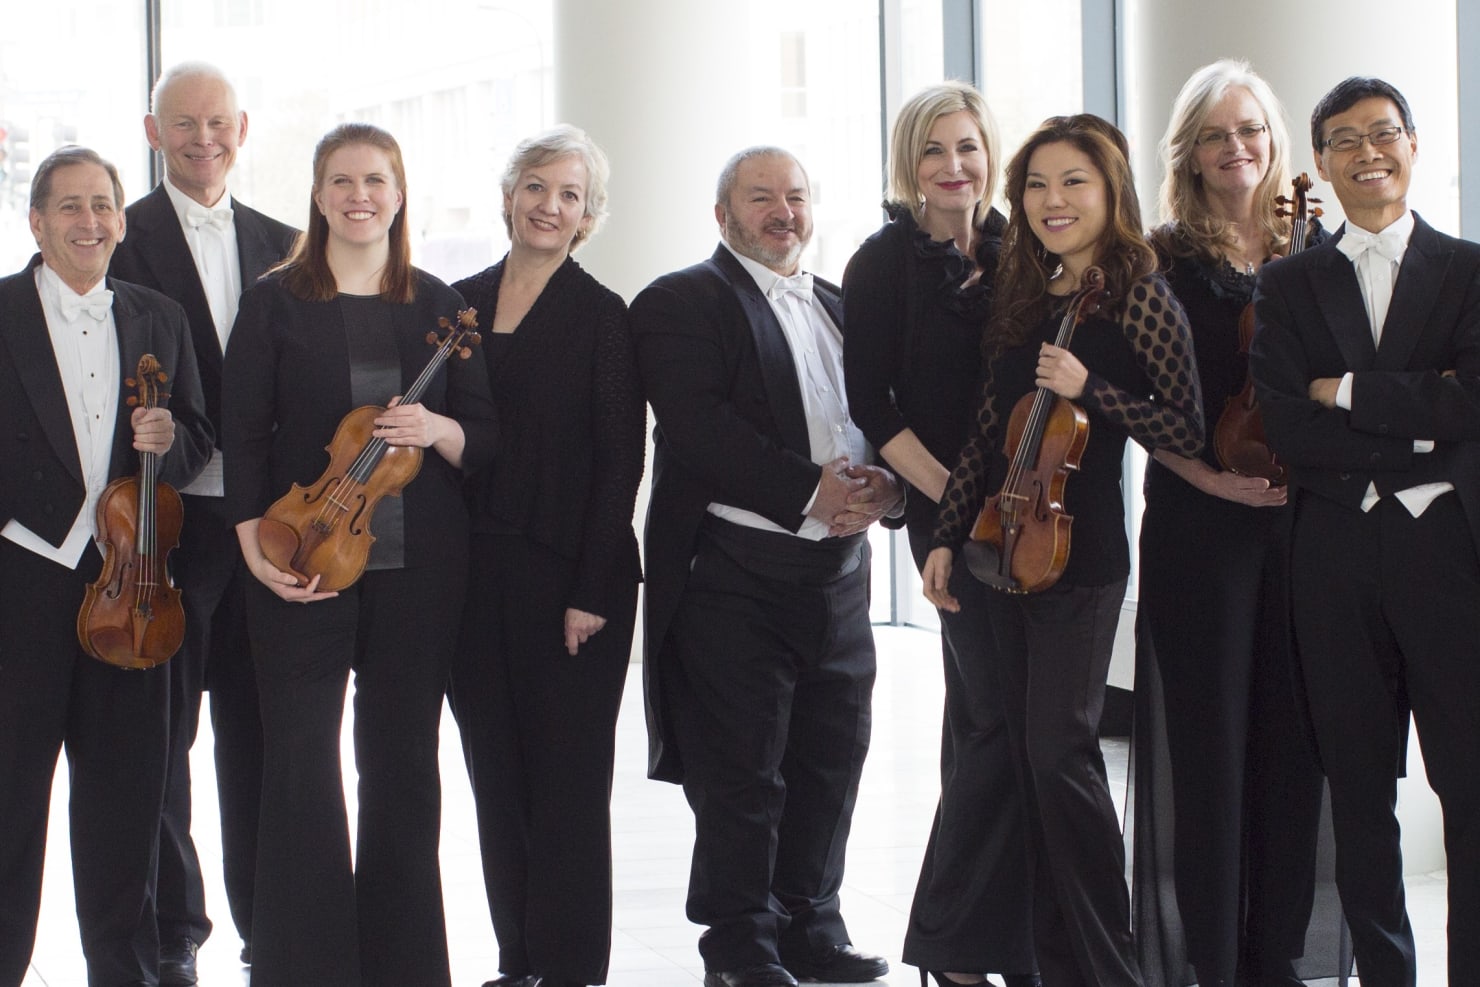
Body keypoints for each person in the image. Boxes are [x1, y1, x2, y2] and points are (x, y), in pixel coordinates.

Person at [922, 114, 1203, 987]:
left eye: (1073, 182)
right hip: (998, 552)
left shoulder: (1142, 293)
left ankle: (1108, 966)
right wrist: (943, 537)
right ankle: (1039, 962)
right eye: (1038, 185)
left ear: (1109, 190)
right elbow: (984, 432)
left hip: (1082, 562)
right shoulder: (1022, 292)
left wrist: (1096, 389)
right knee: (1013, 761)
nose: (1054, 201)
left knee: (1060, 756)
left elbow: (1186, 426)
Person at [221, 122, 497, 987]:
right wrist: (251, 549)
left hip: (421, 570)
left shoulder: (438, 304)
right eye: (341, 181)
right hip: (299, 555)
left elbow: (485, 438)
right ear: (318, 193)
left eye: (375, 179)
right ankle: (304, 966)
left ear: (400, 191)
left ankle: (404, 965)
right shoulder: (274, 301)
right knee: (301, 759)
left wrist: (439, 426)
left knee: (403, 761)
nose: (358, 196)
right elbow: (242, 432)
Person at [631, 146, 901, 987]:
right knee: (742, 769)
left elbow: (883, 415)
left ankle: (811, 924)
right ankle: (741, 946)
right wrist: (810, 491)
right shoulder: (679, 301)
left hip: (841, 573)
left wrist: (888, 487)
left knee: (833, 753)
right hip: (733, 574)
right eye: (761, 198)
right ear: (723, 215)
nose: (782, 211)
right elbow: (699, 425)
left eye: (796, 195)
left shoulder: (838, 303)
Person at [1250, 76, 1480, 987]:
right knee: (1357, 790)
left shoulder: (1470, 271)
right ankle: (1387, 975)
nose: (1367, 152)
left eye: (1384, 133)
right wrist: (1430, 413)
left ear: (1415, 145)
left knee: (1469, 785)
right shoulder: (1289, 281)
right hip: (1333, 559)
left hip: (1449, 557)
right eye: (1344, 140)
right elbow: (1284, 425)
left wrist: (1343, 391)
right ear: (1320, 163)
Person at [1132, 59, 1350, 987]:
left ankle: (1276, 956)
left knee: (1295, 744)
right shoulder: (1157, 257)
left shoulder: (1318, 246)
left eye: (1251, 129)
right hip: (1201, 529)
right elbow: (1140, 404)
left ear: (1276, 140)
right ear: (1190, 150)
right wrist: (1210, 480)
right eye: (1217, 133)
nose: (1238, 148)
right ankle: (1211, 959)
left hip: (1304, 530)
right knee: (1213, 748)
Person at [0, 145, 212, 987]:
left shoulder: (160, 315)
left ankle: (121, 974)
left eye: (103, 206)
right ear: (38, 222)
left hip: (134, 585)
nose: (89, 222)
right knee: (11, 800)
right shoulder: (4, 309)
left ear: (122, 221)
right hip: (24, 579)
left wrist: (173, 443)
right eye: (71, 207)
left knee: (125, 804)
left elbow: (198, 434)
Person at [841, 82, 1035, 987]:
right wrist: (957, 507)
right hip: (947, 517)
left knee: (1004, 724)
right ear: (907, 163)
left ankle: (1007, 937)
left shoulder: (1020, 250)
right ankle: (954, 946)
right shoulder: (881, 263)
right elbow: (872, 406)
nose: (953, 167)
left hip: (1040, 510)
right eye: (933, 151)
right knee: (996, 717)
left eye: (967, 147)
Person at [108, 60, 298, 980]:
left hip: (266, 523)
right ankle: (177, 933)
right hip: (168, 522)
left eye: (216, 121)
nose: (201, 138)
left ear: (243, 127)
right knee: (164, 739)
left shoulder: (286, 241)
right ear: (154, 133)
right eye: (182, 124)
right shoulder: (119, 235)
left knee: (264, 732)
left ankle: (272, 926)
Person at [447, 125, 645, 987]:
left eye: (569, 195)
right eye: (536, 186)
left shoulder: (605, 316)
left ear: (587, 216)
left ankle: (569, 969)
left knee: (566, 784)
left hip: (572, 577)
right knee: (495, 774)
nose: (549, 205)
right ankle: (517, 960)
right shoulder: (455, 305)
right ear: (508, 195)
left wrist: (592, 587)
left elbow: (620, 460)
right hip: (471, 574)